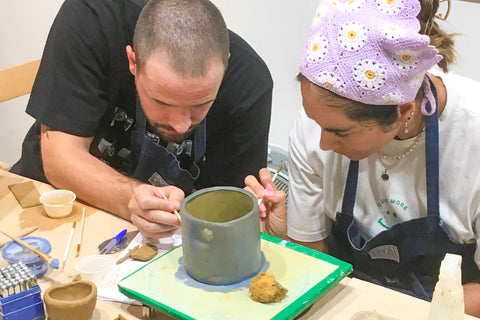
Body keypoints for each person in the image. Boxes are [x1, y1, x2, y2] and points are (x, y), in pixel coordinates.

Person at [245, 0, 480, 316]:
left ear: (404, 111)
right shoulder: (315, 126)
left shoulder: (472, 136)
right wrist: (283, 236)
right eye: (318, 125)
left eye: (340, 132)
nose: (324, 144)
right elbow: (313, 256)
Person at [11, 0, 272, 239]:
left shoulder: (249, 84)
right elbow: (60, 158)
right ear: (133, 60)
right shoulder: (94, 17)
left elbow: (225, 208)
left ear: (224, 67)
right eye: (162, 102)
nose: (181, 124)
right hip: (54, 207)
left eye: (200, 105)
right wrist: (130, 198)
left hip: (163, 244)